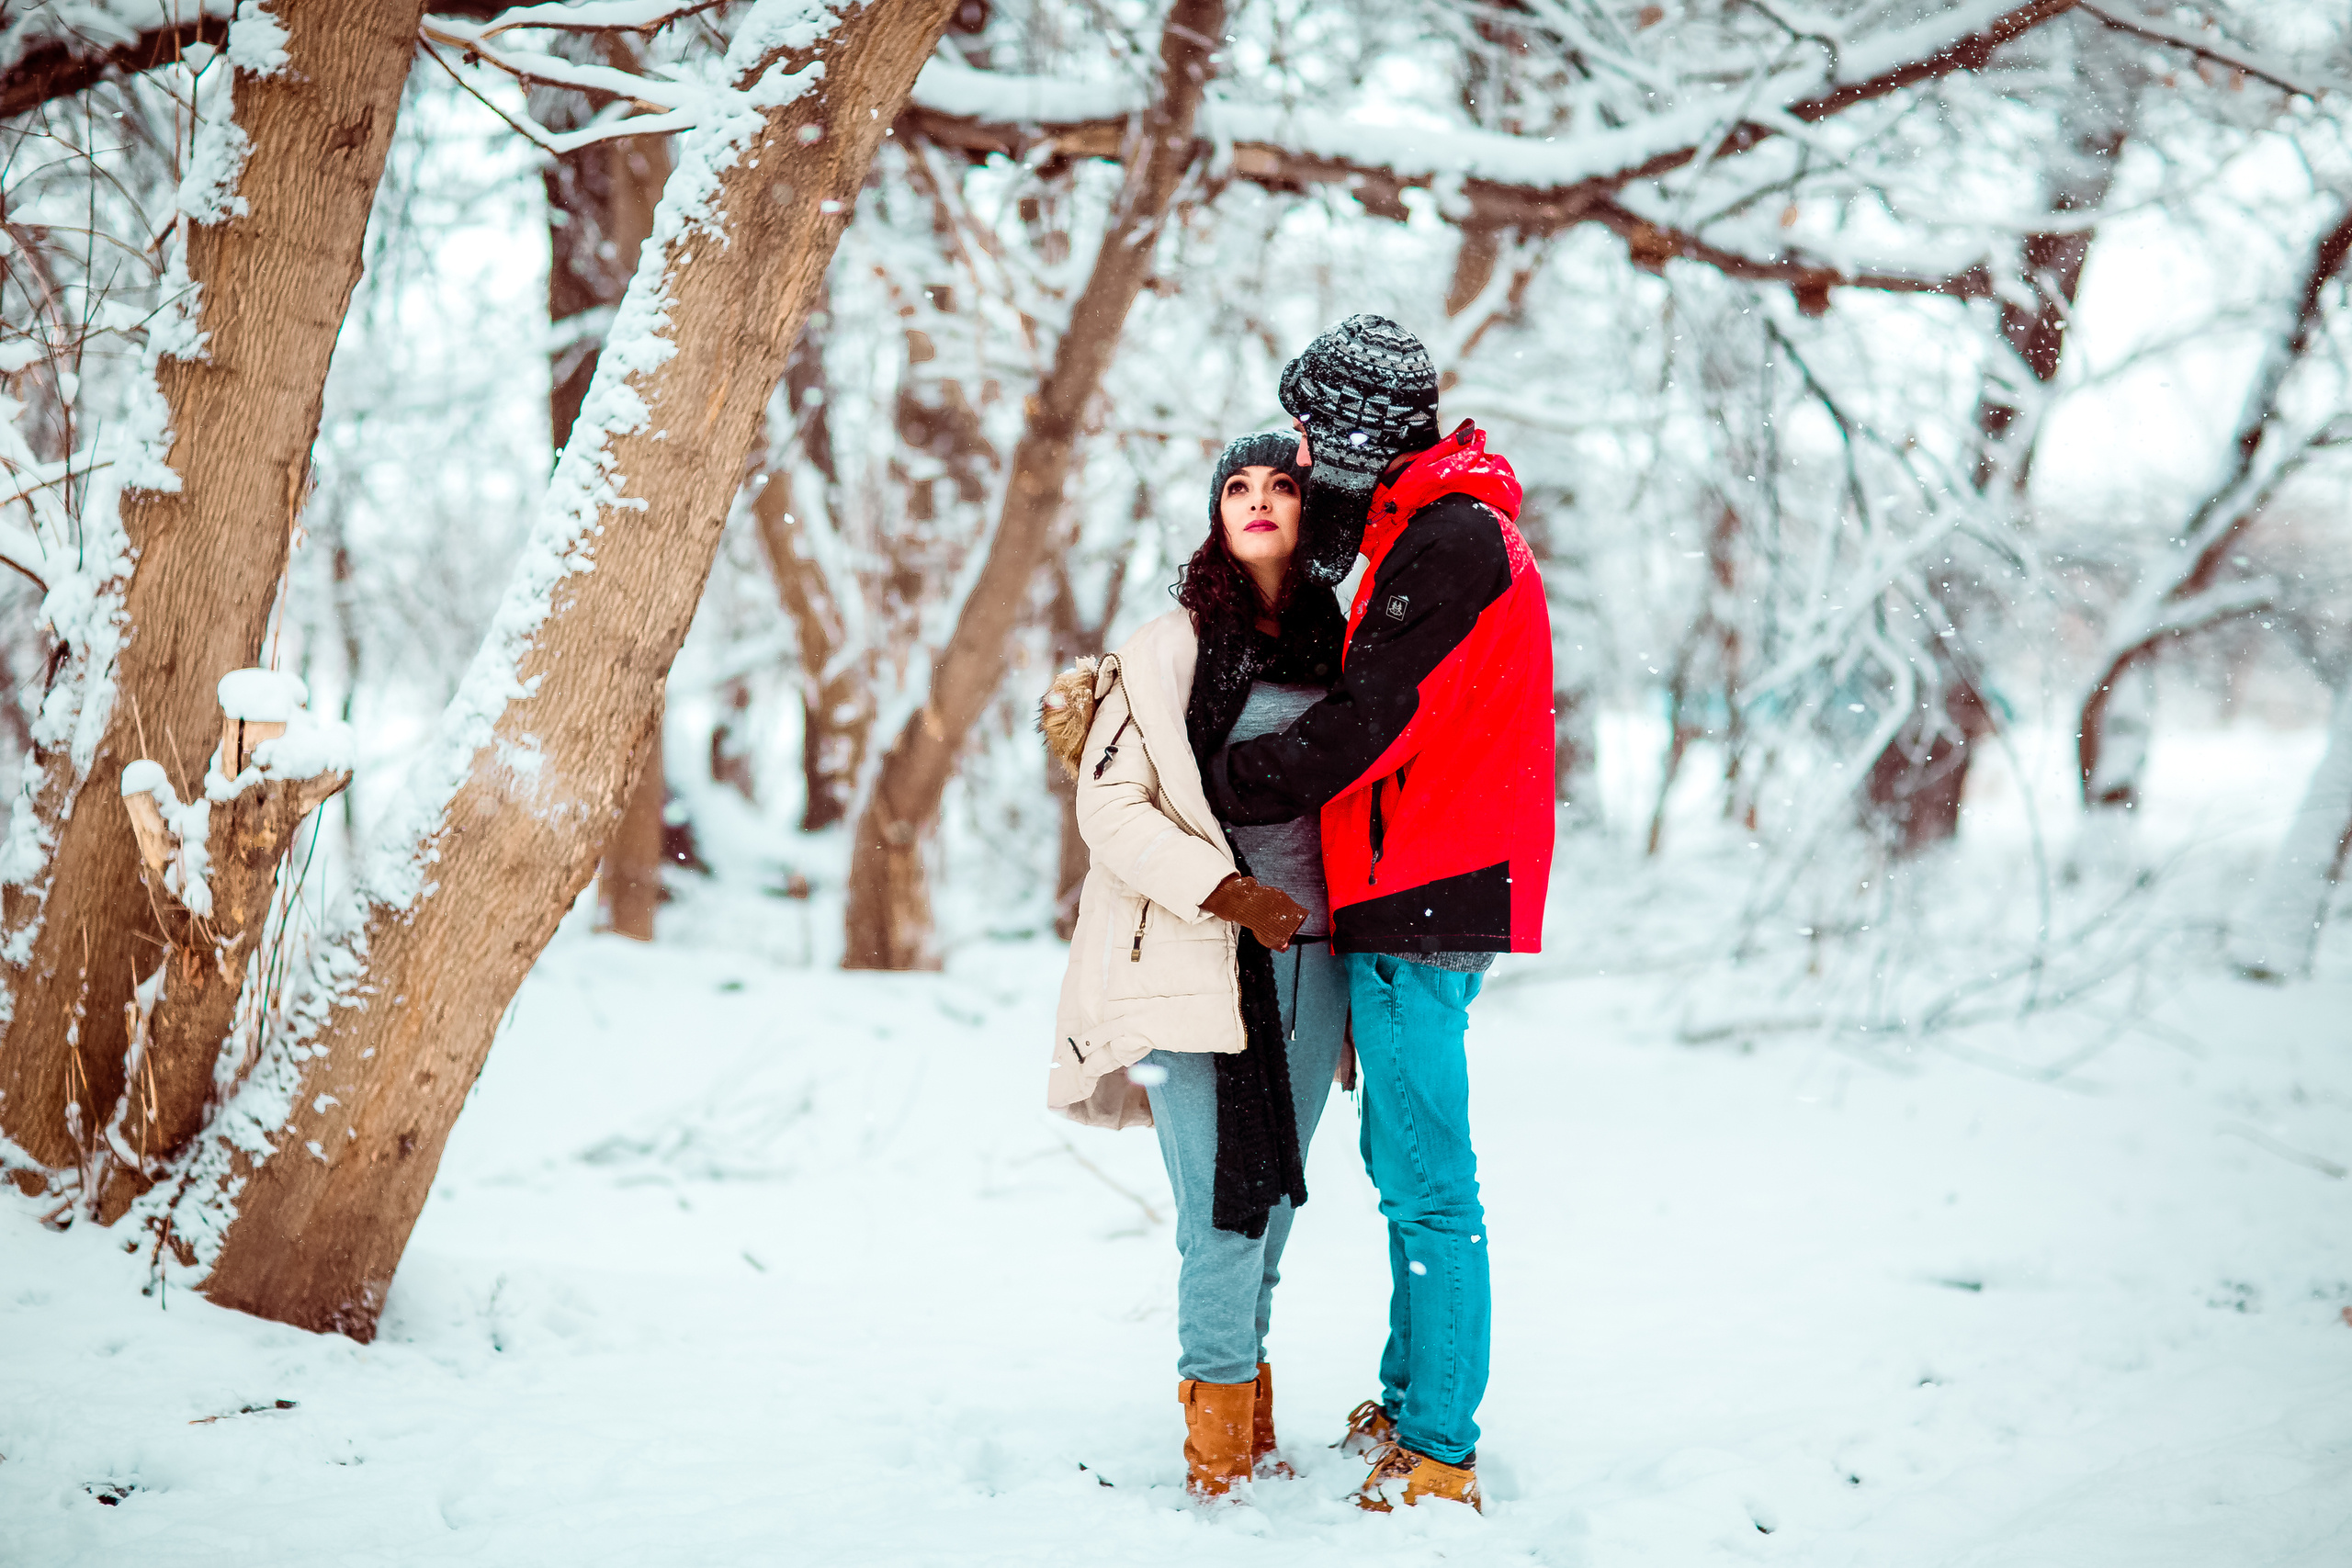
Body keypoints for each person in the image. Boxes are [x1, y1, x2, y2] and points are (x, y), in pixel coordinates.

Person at [1204, 315, 1555, 1514]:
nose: (1299, 454)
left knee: (1428, 1178)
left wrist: (1221, 781)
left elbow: (1368, 718)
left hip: (1429, 888)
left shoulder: (1453, 541)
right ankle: (1412, 1404)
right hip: (1419, 882)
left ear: (1352, 430)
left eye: (1311, 430)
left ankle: (1443, 1445)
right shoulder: (1433, 524)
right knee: (1399, 1157)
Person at [1039, 432, 1353, 1502]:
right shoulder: (1168, 647)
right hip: (1196, 955)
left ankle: (1250, 1421)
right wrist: (1229, 892)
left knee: (1274, 1209)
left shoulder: (1343, 644)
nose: (1259, 502)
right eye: (1237, 486)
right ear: (1215, 512)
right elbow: (1109, 807)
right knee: (1224, 1206)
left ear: (1311, 512)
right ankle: (1216, 1461)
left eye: (1281, 487)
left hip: (1315, 967)